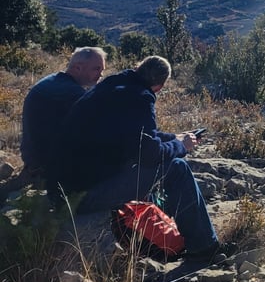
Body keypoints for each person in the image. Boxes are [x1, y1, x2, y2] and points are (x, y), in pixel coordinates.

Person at [53, 55, 228, 263]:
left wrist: (174, 138)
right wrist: (181, 146)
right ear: (159, 87)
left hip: (63, 188)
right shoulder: (140, 98)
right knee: (176, 167)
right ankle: (204, 247)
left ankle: (175, 232)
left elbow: (133, 136)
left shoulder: (112, 85)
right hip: (85, 196)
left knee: (158, 165)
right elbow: (149, 155)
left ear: (137, 68)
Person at [18, 46, 107, 190]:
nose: (100, 75)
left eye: (102, 71)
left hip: (32, 158)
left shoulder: (52, 80)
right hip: (46, 167)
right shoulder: (72, 94)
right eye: (96, 69)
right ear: (78, 68)